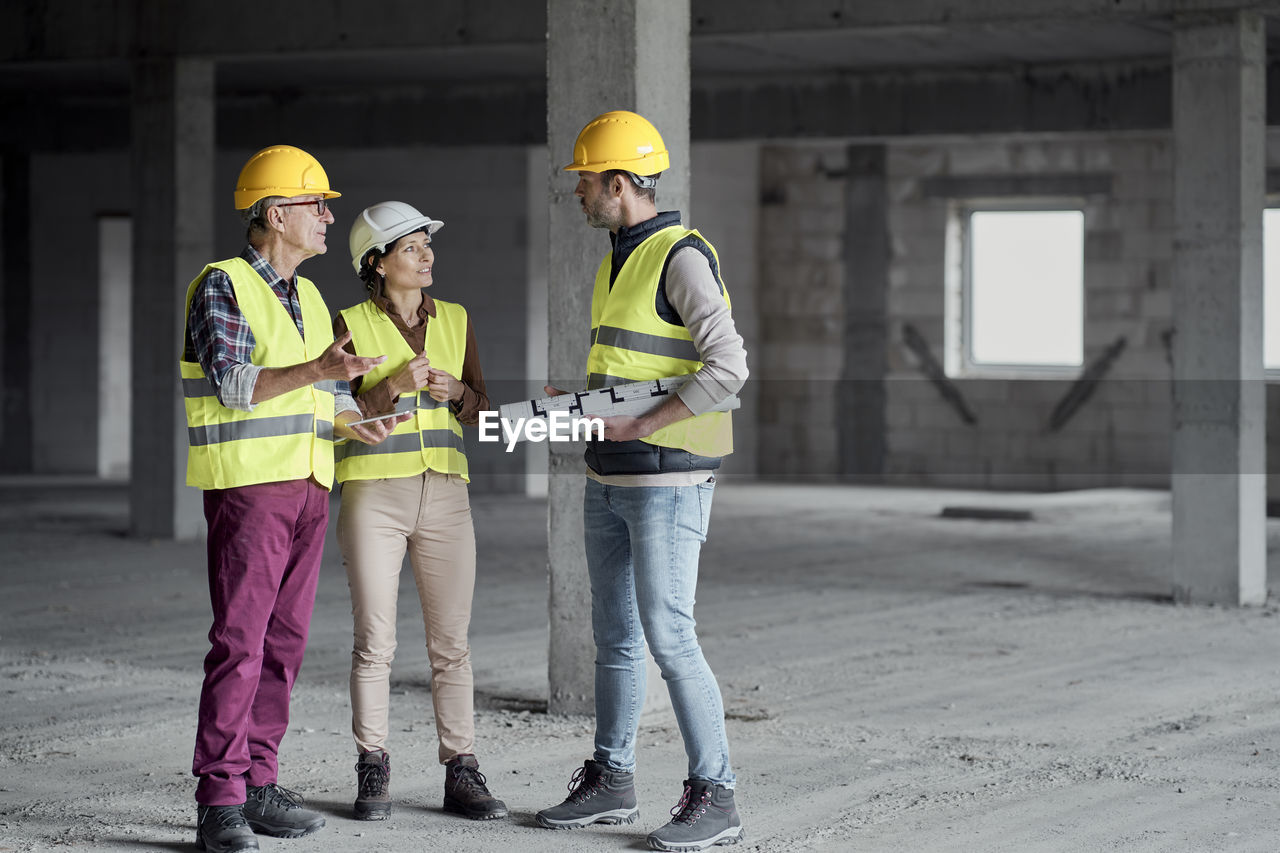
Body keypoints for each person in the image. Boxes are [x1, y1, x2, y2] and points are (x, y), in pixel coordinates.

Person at [180, 145, 409, 853]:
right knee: (240, 642)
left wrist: (360, 422)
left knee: (284, 644)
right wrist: (318, 368)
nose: (328, 215)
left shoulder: (310, 296)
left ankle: (259, 781)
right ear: (276, 214)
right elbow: (233, 384)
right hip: (250, 487)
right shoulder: (222, 285)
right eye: (316, 204)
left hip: (310, 485)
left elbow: (327, 392)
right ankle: (219, 798)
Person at [534, 111, 748, 851]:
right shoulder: (619, 258)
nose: (578, 193)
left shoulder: (680, 255)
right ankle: (613, 778)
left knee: (669, 633)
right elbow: (636, 370)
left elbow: (728, 368)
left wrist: (641, 425)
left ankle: (716, 792)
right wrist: (587, 404)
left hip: (668, 480)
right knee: (617, 638)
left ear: (619, 183)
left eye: (586, 181)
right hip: (611, 475)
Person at [333, 201, 508, 823]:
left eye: (427, 245)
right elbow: (336, 417)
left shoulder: (456, 319)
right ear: (376, 263)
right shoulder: (348, 323)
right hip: (374, 494)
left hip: (447, 494)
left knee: (452, 645)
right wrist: (394, 387)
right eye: (410, 247)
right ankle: (373, 767)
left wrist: (458, 391)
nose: (427, 255)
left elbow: (483, 410)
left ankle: (461, 770)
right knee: (375, 641)